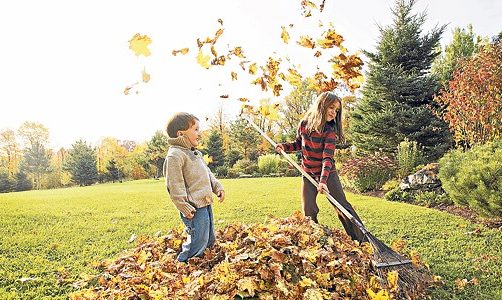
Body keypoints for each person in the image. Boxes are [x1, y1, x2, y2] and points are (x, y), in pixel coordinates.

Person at [276, 91, 367, 243]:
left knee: (342, 206)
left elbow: (327, 158)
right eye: (331, 108)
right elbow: (299, 143)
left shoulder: (329, 131)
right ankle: (313, 241)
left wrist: (323, 181)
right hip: (308, 173)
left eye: (336, 110)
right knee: (308, 209)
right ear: (321, 105)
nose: (333, 112)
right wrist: (284, 147)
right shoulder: (304, 125)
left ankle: (362, 240)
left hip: (328, 174)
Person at [163, 112, 225, 262]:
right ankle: (186, 263)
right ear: (181, 134)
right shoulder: (175, 156)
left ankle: (206, 259)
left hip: (205, 202)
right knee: (197, 240)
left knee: (209, 236)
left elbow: (207, 173)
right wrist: (183, 206)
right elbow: (174, 185)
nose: (199, 133)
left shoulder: (195, 153)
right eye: (195, 129)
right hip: (193, 208)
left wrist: (217, 187)